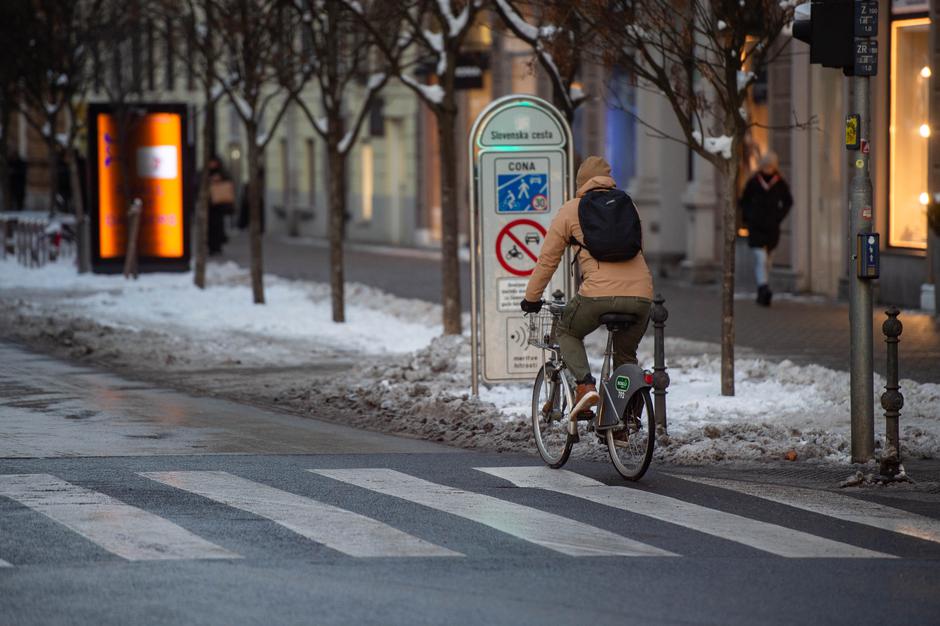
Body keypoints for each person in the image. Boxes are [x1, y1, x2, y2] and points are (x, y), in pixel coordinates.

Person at [520, 156, 654, 422]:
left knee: (566, 331)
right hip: (641, 295)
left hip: (597, 295)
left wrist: (531, 298)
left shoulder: (572, 209)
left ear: (581, 183)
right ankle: (624, 420)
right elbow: (640, 247)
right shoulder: (628, 205)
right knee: (626, 355)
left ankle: (585, 386)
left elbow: (548, 260)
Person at [739, 151, 792, 307]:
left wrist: (778, 216)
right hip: (756, 228)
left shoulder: (779, 182)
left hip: (771, 229)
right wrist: (749, 217)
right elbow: (743, 201)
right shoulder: (754, 181)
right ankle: (763, 288)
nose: (768, 168)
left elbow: (788, 201)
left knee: (767, 261)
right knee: (760, 258)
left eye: (771, 165)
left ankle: (762, 290)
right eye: (766, 165)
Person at [206, 156, 235, 255]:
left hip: (219, 205)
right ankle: (212, 246)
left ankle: (217, 246)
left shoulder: (222, 173)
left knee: (218, 225)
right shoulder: (206, 173)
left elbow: (229, 182)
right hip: (209, 205)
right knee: (210, 226)